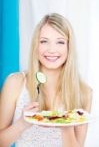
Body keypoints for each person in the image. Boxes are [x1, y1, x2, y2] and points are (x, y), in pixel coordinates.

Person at [0, 13, 92, 147]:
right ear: (36, 46)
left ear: (69, 47)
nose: (51, 49)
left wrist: (66, 127)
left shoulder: (84, 92)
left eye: (60, 42)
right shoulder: (16, 82)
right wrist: (21, 124)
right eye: (44, 41)